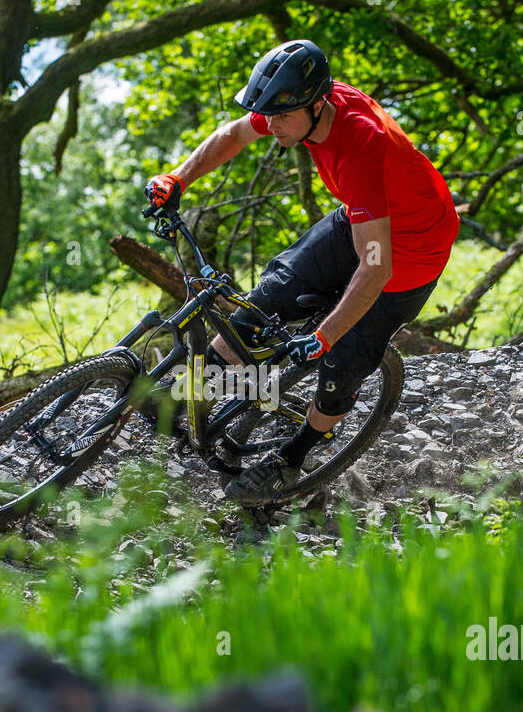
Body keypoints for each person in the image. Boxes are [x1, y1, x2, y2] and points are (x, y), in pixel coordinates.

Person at [144, 39, 460, 506]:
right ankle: (194, 390)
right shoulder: (294, 104)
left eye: (280, 119)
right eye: (266, 116)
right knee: (271, 293)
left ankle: (292, 458)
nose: (270, 127)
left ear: (317, 107)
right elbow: (234, 135)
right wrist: (179, 177)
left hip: (414, 250)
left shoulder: (360, 145)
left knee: (344, 357)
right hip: (363, 216)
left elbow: (376, 267)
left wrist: (327, 334)